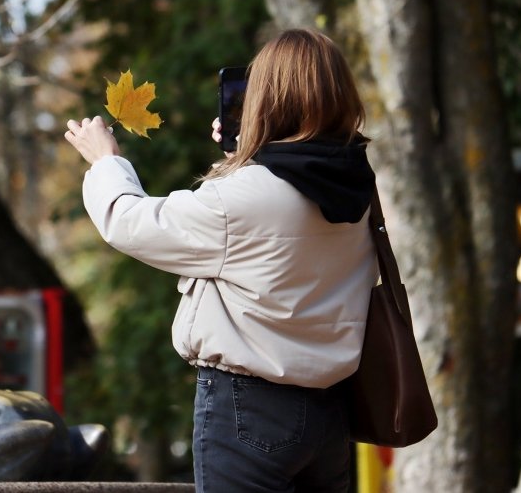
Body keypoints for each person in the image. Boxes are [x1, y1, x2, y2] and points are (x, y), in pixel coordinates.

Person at [64, 28, 379, 493]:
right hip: (330, 415)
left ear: (268, 100)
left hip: (248, 409)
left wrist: (105, 161)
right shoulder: (361, 190)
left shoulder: (243, 198)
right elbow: (287, 201)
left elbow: (130, 221)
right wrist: (247, 155)